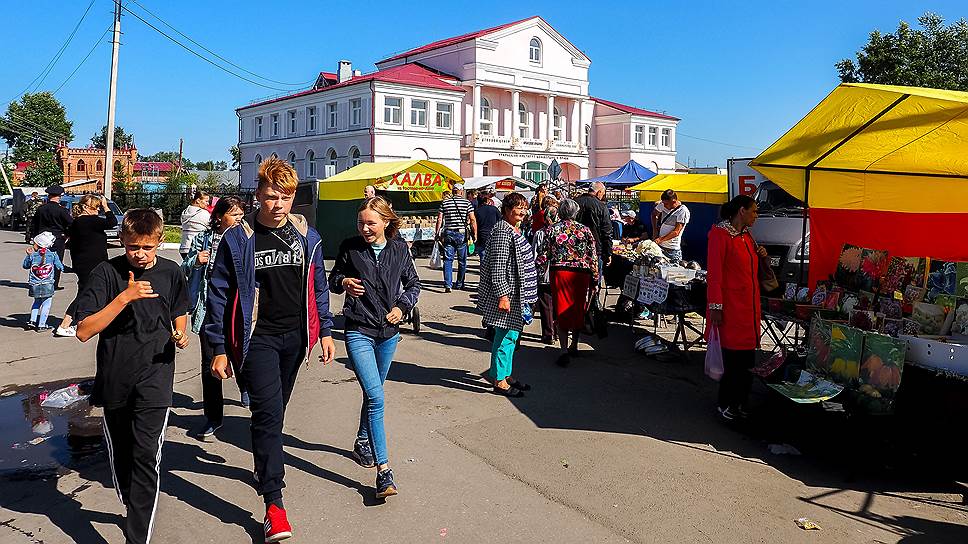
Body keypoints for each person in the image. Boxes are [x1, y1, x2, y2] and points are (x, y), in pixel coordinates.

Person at [205, 157, 336, 542]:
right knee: (267, 412)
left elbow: (318, 285)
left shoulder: (305, 235)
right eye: (269, 197)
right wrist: (217, 347)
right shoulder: (238, 238)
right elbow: (218, 295)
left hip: (295, 340)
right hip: (256, 339)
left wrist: (324, 330)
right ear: (257, 196)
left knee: (274, 414)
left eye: (284, 197)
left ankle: (265, 464)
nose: (277, 205)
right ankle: (274, 504)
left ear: (293, 196)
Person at [75, 209, 190, 544]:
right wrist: (125, 297)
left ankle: (137, 536)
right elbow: (84, 330)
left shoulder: (171, 272)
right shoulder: (106, 274)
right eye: (133, 247)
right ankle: (132, 501)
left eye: (148, 247)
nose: (140, 254)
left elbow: (178, 310)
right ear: (122, 241)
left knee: (146, 456)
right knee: (124, 454)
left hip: (156, 375)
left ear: (158, 242)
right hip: (115, 377)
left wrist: (180, 333)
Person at [329, 196, 421, 499]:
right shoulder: (350, 247)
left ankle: (363, 441)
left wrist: (403, 307)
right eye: (361, 223)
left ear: (386, 221)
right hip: (358, 329)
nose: (365, 228)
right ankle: (384, 472)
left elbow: (413, 285)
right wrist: (344, 284)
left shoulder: (399, 249)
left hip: (389, 333)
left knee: (373, 393)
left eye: (371, 223)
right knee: (376, 396)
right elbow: (333, 280)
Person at [182, 196, 248, 439]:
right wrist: (195, 261)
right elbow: (185, 268)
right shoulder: (204, 239)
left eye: (242, 214)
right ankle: (213, 417)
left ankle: (245, 386)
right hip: (209, 307)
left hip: (239, 309)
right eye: (234, 214)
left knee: (242, 353)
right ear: (219, 217)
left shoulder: (247, 239)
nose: (239, 218)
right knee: (210, 363)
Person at [706, 195, 767, 422]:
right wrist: (716, 306)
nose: (756, 216)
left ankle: (741, 403)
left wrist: (762, 256)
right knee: (733, 363)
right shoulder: (720, 235)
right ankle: (726, 404)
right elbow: (715, 274)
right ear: (742, 211)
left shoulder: (746, 236)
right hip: (731, 309)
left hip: (748, 310)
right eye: (754, 212)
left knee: (747, 363)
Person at [478, 192, 538, 398]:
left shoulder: (513, 228)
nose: (523, 211)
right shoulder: (503, 231)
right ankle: (499, 381)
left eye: (525, 207)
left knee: (512, 335)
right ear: (506, 209)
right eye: (518, 207)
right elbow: (497, 267)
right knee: (504, 337)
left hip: (515, 293)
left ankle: (505, 374)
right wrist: (503, 295)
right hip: (507, 294)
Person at [536, 199, 599, 366]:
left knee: (561, 308)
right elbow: (593, 257)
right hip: (581, 275)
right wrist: (595, 279)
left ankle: (563, 349)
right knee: (578, 308)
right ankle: (574, 345)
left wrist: (537, 272)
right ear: (576, 213)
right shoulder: (585, 230)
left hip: (560, 274)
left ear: (560, 212)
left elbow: (543, 255)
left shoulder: (552, 230)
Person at [54, 195, 118, 337]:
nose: (97, 210)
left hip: (81, 263)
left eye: (99, 207)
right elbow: (112, 222)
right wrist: (107, 207)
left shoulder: (76, 223)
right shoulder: (90, 221)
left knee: (89, 291)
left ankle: (86, 320)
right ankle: (65, 324)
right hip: (92, 264)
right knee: (85, 293)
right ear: (85, 207)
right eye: (95, 207)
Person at [435, 184, 477, 292]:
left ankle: (448, 284)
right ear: (461, 192)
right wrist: (475, 234)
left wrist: (437, 233)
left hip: (448, 233)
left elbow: (439, 219)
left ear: (453, 191)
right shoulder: (467, 203)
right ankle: (459, 284)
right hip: (461, 234)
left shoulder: (445, 202)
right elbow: (472, 219)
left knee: (448, 260)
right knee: (462, 261)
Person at [32, 185, 72, 290]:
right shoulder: (62, 210)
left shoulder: (40, 209)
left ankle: (41, 281)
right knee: (56, 261)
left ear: (48, 196)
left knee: (42, 261)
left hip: (41, 240)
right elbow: (71, 224)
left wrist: (34, 240)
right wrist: (67, 234)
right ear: (59, 196)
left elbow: (34, 225)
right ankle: (53, 284)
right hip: (57, 239)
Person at [23, 231, 64, 332]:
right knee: (46, 304)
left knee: (37, 302)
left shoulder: (33, 255)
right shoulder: (53, 255)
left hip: (34, 284)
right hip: (48, 284)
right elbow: (60, 267)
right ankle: (42, 324)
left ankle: (32, 321)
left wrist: (28, 256)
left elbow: (25, 265)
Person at [532, 196, 560, 345]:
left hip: (544, 273)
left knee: (546, 304)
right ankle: (557, 332)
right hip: (560, 273)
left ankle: (548, 334)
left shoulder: (540, 233)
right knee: (557, 304)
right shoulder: (563, 234)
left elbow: (534, 254)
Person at [576, 181, 612, 276]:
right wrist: (608, 253)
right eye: (603, 194)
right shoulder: (601, 206)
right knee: (594, 280)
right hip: (595, 249)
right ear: (599, 192)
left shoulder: (575, 202)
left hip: (575, 246)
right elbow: (607, 232)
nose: (602, 196)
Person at [652, 189, 691, 262]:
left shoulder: (683, 211)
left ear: (673, 201)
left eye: (666, 204)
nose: (664, 206)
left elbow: (676, 232)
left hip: (672, 250)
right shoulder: (663, 204)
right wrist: (655, 230)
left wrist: (660, 239)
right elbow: (654, 214)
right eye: (663, 203)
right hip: (660, 247)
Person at [180, 191, 211, 260]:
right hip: (196, 248)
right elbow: (211, 227)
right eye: (206, 201)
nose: (208, 204)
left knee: (187, 268)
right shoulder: (203, 213)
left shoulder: (185, 212)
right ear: (198, 200)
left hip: (184, 247)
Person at [473, 190, 501, 263]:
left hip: (481, 235)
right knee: (492, 255)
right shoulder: (494, 209)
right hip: (493, 234)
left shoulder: (477, 211)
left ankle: (483, 270)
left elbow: (474, 223)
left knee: (482, 255)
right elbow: (500, 220)